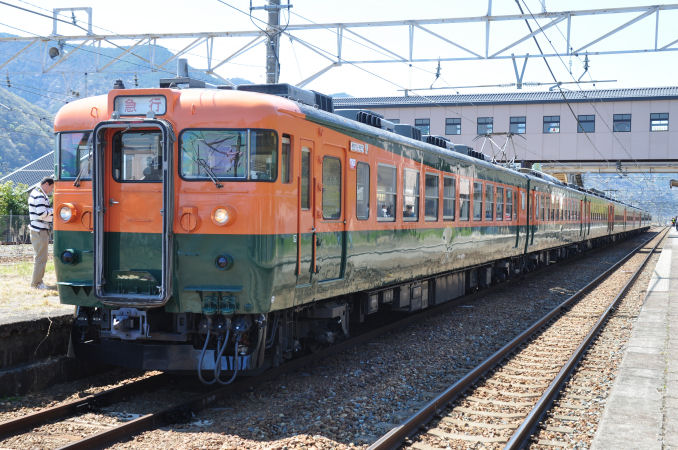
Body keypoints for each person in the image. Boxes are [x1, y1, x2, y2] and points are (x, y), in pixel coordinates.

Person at [28, 176, 54, 289]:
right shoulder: (39, 195)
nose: (51, 190)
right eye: (51, 187)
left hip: (38, 229)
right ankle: (36, 283)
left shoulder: (37, 193)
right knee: (41, 258)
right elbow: (42, 213)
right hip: (40, 230)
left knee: (40, 257)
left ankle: (37, 282)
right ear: (46, 184)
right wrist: (55, 210)